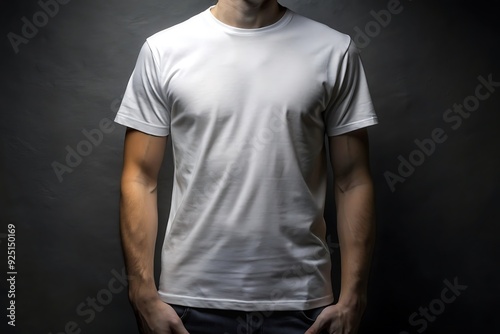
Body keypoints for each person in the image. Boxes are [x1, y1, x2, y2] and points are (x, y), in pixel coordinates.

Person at [114, 0, 378, 333]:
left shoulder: (334, 51)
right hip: (187, 306)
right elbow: (139, 177)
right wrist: (141, 292)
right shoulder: (164, 50)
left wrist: (354, 298)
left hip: (302, 306)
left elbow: (353, 180)